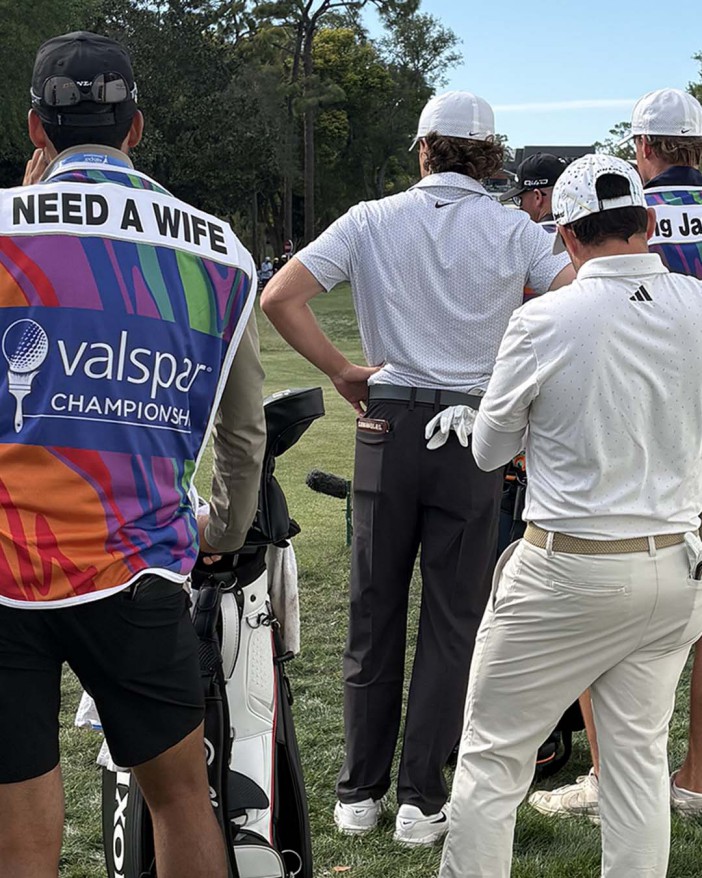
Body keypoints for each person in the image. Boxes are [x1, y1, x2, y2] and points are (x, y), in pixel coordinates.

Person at [261, 90, 573, 846]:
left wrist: (340, 369)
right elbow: (573, 297)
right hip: (474, 430)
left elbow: (281, 296)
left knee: (373, 612)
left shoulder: (372, 218)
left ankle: (359, 793)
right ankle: (419, 799)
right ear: (490, 153)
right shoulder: (513, 228)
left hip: (387, 421)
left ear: (425, 147)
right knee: (451, 621)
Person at [0, 32, 266, 878]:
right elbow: (243, 430)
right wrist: (225, 526)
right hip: (142, 558)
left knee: (17, 802)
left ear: (35, 126)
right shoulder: (219, 251)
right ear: (137, 126)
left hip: (8, 562)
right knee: (183, 796)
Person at [438, 153, 702, 878]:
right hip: (677, 567)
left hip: (570, 567)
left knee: (491, 759)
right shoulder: (697, 304)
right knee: (638, 763)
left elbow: (491, 451)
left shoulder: (545, 318)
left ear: (566, 235)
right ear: (648, 223)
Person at [529, 87, 702, 823]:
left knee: (613, 582)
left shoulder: (628, 213)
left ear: (642, 149)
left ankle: (611, 777)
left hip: (643, 426)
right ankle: (694, 777)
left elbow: (577, 300)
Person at [500, 152, 567, 226]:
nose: (520, 208)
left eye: (519, 200)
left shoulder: (533, 235)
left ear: (538, 197)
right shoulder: (577, 230)